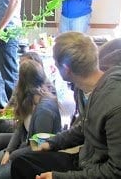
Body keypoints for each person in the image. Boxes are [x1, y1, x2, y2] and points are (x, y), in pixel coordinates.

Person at [11, 32, 121, 179]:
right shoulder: (83, 90)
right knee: (22, 163)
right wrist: (52, 143)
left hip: (99, 169)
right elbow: (84, 128)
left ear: (66, 68)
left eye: (55, 63)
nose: (54, 66)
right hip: (86, 159)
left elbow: (115, 171)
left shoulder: (115, 105)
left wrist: (58, 177)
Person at [0, 59, 62, 179]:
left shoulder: (44, 111)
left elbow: (37, 149)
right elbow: (20, 129)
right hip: (24, 146)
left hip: (37, 157)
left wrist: (12, 155)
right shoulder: (28, 99)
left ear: (23, 82)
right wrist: (8, 151)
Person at [0, 52, 52, 155]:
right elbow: (8, 111)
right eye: (21, 64)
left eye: (24, 64)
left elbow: (19, 115)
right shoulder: (21, 84)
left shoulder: (46, 87)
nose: (21, 68)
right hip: (16, 122)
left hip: (28, 131)